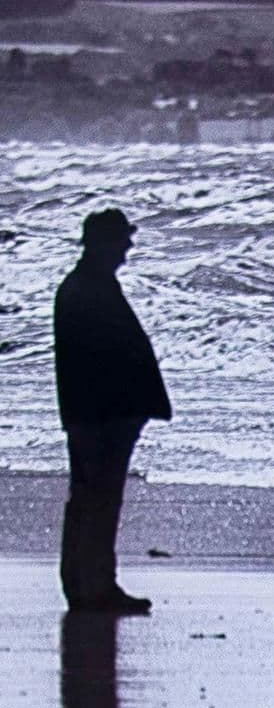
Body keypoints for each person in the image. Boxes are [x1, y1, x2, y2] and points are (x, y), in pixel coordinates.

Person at [54, 209, 171, 613]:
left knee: (89, 498)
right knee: (99, 499)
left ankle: (84, 584)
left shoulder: (82, 286)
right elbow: (104, 359)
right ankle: (95, 587)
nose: (128, 246)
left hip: (93, 414)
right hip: (102, 416)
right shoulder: (90, 289)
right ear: (104, 243)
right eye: (122, 238)